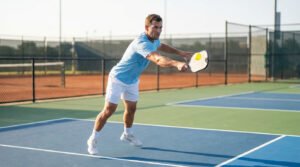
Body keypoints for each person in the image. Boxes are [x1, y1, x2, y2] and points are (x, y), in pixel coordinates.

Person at [87, 14, 193, 155]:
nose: (158, 30)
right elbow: (158, 59)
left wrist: (181, 53)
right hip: (118, 78)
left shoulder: (154, 40)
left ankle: (127, 134)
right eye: (155, 27)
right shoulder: (141, 43)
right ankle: (93, 139)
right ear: (146, 27)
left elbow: (161, 46)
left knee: (131, 109)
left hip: (132, 80)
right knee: (109, 110)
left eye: (160, 27)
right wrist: (176, 63)